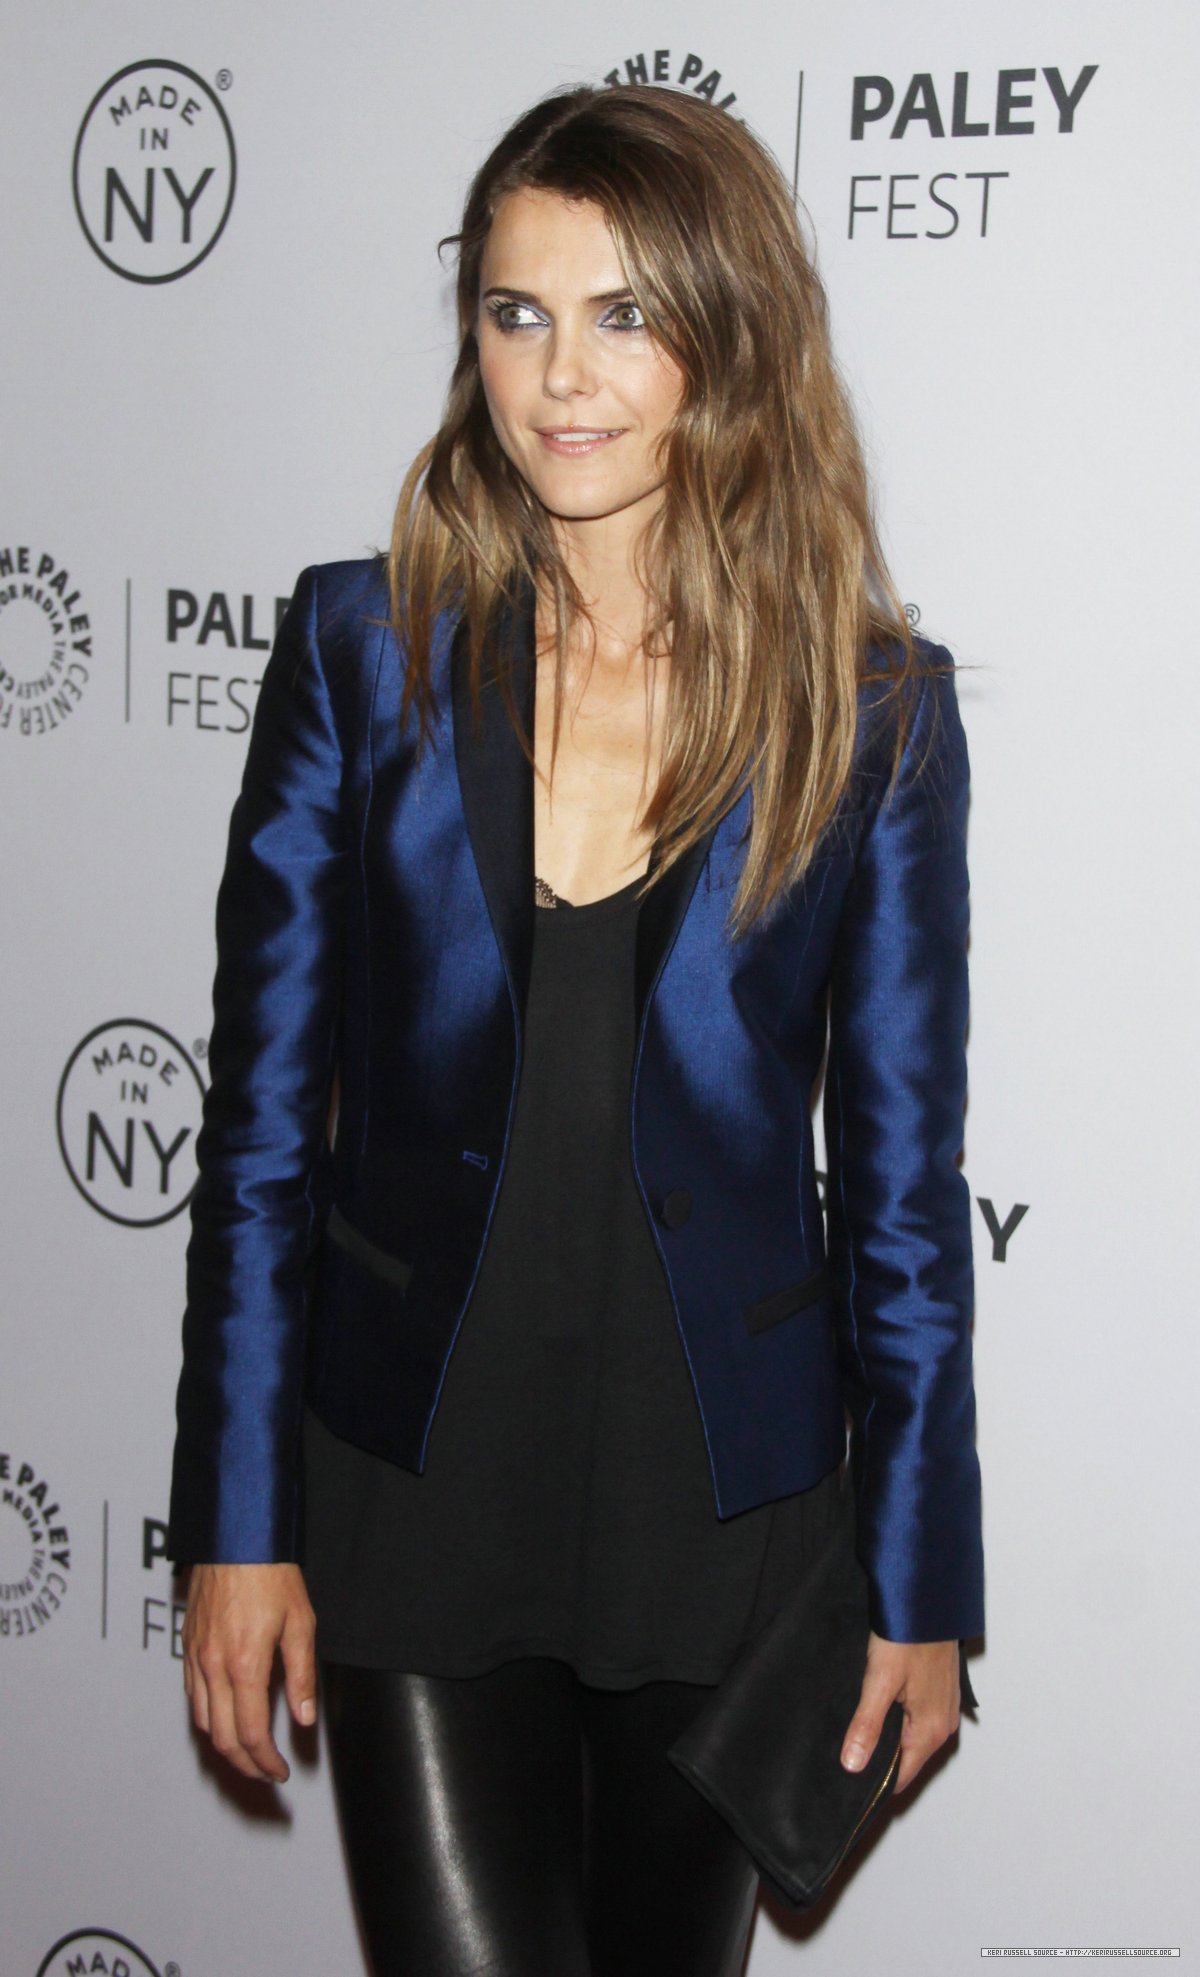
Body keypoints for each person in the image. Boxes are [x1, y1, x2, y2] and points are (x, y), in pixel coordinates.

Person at [166, 81, 984, 1977]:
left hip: (719, 1508)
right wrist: (235, 1518)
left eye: (624, 313)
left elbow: (903, 1193)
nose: (559, 375)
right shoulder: (364, 652)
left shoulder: (871, 715)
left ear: (731, 328)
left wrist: (923, 1572)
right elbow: (264, 1134)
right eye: (517, 312)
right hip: (417, 1484)